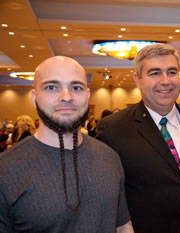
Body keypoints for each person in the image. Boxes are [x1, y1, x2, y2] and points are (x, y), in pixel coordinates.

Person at [0, 56, 133, 233]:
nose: (66, 97)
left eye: (76, 87)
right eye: (52, 87)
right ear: (34, 98)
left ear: (87, 96)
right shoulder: (6, 169)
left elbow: (122, 226)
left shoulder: (109, 157)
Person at [96, 43, 180, 233]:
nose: (165, 81)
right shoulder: (112, 129)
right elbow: (106, 198)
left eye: (172, 72)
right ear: (137, 79)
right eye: (155, 73)